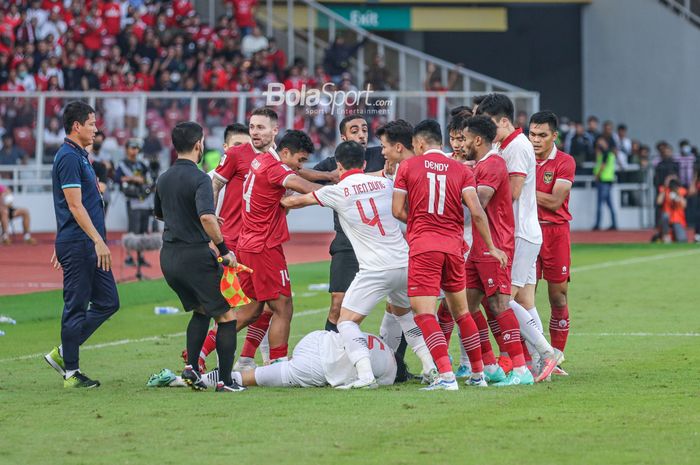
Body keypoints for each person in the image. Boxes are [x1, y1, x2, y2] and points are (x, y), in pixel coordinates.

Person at [281, 141, 438, 388]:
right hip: (405, 262)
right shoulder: (386, 184)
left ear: (339, 166)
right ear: (364, 164)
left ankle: (365, 374)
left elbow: (295, 202)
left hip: (376, 269)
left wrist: (278, 198)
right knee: (407, 318)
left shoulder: (337, 190)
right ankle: (430, 366)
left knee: (345, 322)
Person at [392, 119, 508, 391]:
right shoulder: (460, 169)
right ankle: (478, 375)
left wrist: (422, 220)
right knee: (463, 312)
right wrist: (491, 246)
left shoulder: (407, 166)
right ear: (440, 142)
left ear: (418, 144)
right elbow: (477, 211)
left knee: (424, 314)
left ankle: (445, 376)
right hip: (455, 247)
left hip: (424, 246)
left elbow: (397, 211)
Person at [154, 121, 244, 393]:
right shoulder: (201, 178)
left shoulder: (164, 177)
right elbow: (206, 216)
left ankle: (192, 368)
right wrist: (224, 250)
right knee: (228, 317)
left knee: (201, 310)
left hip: (169, 258)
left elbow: (161, 214)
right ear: (198, 145)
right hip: (195, 256)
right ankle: (226, 382)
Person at [476, 94, 560, 381]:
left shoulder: (517, 147)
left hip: (519, 232)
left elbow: (511, 192)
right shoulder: (505, 145)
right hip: (521, 231)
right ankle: (543, 361)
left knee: (501, 300)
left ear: (503, 120)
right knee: (523, 301)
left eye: (488, 123)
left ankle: (544, 353)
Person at [44, 101, 120, 388]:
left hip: (81, 241)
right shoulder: (68, 157)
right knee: (75, 305)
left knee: (108, 302)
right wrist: (97, 240)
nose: (96, 129)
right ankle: (71, 373)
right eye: (91, 123)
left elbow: (72, 206)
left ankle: (64, 353)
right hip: (82, 243)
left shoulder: (79, 155)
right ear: (77, 126)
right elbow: (75, 206)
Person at [231, 130, 322, 363]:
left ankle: (199, 353)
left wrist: (330, 176)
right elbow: (304, 186)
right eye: (299, 159)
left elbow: (296, 177)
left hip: (247, 243)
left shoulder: (260, 159)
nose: (300, 165)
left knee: (250, 311)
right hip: (264, 246)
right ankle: (279, 365)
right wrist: (344, 192)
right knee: (283, 306)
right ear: (285, 152)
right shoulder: (277, 169)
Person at [461, 115, 534, 386]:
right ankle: (490, 366)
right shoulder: (482, 164)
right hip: (479, 246)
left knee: (500, 305)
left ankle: (521, 369)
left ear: (477, 140)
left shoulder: (493, 164)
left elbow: (478, 202)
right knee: (467, 306)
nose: (463, 143)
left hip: (495, 245)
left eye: (466, 138)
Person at [148, 330, 396, 389]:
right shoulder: (391, 373)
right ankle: (180, 380)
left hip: (316, 339)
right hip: (318, 367)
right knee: (249, 378)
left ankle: (271, 360)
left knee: (276, 309)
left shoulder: (380, 341)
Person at [531, 111, 577, 377]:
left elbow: (554, 201)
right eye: (533, 134)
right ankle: (533, 355)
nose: (536, 140)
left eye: (542, 135)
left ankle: (556, 357)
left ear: (554, 136)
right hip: (527, 234)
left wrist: (521, 187)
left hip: (555, 233)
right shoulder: (522, 158)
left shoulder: (564, 161)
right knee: (524, 298)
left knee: (557, 296)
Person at [116, 138, 154, 267]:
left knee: (143, 231)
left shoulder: (142, 164)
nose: (135, 151)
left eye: (137, 148)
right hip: (132, 202)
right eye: (132, 148)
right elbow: (118, 179)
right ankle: (128, 257)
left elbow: (149, 180)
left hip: (145, 201)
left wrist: (138, 179)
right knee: (133, 231)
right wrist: (134, 178)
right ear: (126, 149)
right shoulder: (122, 165)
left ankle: (140, 256)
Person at [592, 136, 617, 230]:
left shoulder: (606, 153)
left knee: (600, 203)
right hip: (607, 180)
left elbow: (602, 165)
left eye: (600, 142)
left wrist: (597, 175)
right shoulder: (607, 153)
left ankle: (598, 224)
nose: (599, 144)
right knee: (609, 204)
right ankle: (614, 224)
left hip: (603, 180)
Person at [657, 177, 688, 243]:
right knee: (665, 216)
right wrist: (664, 190)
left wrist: (678, 196)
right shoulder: (665, 190)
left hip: (677, 219)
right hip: (667, 217)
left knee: (682, 240)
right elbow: (659, 201)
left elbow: (684, 205)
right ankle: (665, 235)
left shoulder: (681, 191)